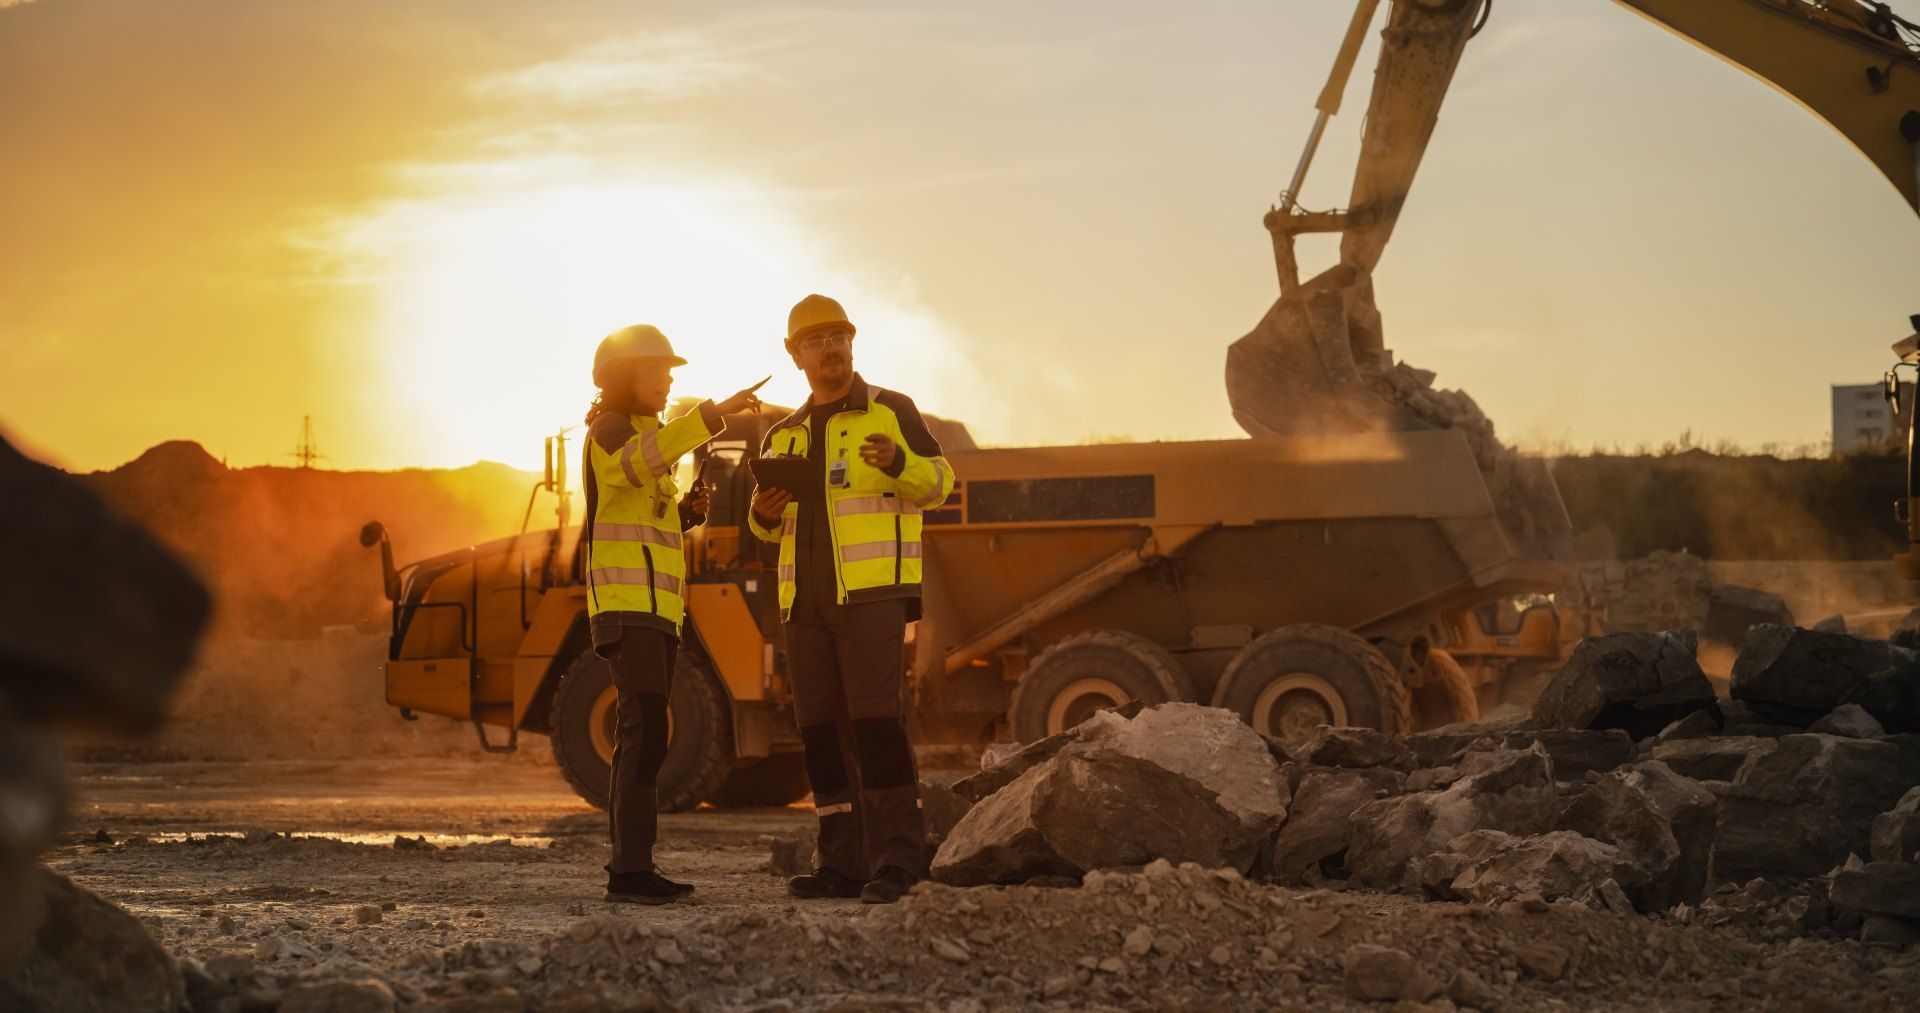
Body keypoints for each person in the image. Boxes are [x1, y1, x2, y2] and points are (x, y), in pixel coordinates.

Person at [747, 294, 957, 905]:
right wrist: (762, 517)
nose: (830, 348)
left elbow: (939, 483)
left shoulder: (891, 412)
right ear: (796, 356)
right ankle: (839, 860)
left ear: (851, 343)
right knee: (818, 732)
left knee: (876, 727)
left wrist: (897, 465)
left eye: (838, 335)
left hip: (872, 597)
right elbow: (768, 531)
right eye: (815, 341)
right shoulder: (782, 437)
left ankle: (899, 861)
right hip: (803, 606)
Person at [583, 323, 765, 905]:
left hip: (657, 610)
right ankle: (629, 873)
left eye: (670, 373)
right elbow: (635, 464)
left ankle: (635, 868)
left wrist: (684, 515)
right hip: (625, 605)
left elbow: (643, 516)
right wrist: (712, 416)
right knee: (644, 731)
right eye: (657, 370)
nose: (667, 381)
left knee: (650, 733)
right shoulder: (610, 433)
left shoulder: (648, 440)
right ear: (622, 376)